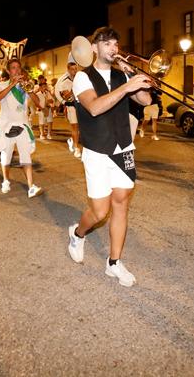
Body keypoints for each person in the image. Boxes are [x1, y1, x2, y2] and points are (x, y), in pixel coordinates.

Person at [67, 27, 152, 287]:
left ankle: (114, 263)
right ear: (94, 48)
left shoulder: (121, 74)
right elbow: (94, 107)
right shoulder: (83, 77)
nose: (113, 48)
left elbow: (146, 100)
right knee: (99, 212)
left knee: (121, 203)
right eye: (107, 43)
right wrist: (126, 86)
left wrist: (134, 76)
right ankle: (77, 233)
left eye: (115, 43)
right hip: (97, 150)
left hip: (123, 147)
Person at [0, 59, 43, 197]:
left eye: (18, 67)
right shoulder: (2, 84)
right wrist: (12, 84)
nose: (17, 70)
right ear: (8, 71)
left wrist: (30, 90)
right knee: (6, 157)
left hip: (23, 125)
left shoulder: (25, 85)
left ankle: (31, 187)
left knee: (26, 156)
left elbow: (39, 103)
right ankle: (6, 180)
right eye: (13, 68)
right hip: (7, 126)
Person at [56, 60, 82, 158]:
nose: (74, 71)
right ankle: (76, 148)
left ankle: (72, 140)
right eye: (72, 69)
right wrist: (74, 88)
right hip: (71, 106)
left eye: (76, 69)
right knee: (75, 127)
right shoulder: (65, 82)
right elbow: (66, 97)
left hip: (81, 105)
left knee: (80, 128)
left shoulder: (79, 79)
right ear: (68, 70)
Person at [34, 75, 54, 139]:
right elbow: (36, 102)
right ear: (40, 87)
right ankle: (42, 134)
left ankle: (49, 134)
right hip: (41, 109)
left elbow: (52, 100)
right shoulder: (37, 94)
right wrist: (40, 108)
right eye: (43, 87)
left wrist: (50, 101)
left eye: (45, 87)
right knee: (41, 122)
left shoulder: (47, 93)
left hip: (48, 108)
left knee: (50, 121)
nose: (44, 88)